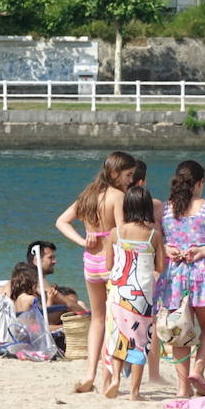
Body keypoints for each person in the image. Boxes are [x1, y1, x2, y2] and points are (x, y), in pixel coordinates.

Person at [56, 151, 137, 393]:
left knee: (97, 319)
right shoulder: (118, 197)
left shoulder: (88, 195)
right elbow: (122, 233)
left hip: (91, 261)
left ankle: (89, 374)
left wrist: (82, 241)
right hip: (112, 262)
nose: (131, 180)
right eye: (128, 174)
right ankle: (107, 376)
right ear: (114, 173)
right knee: (115, 321)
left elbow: (61, 221)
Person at [154, 160, 205, 398]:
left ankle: (182, 388)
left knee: (178, 330)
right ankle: (198, 370)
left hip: (174, 276)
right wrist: (201, 251)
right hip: (202, 275)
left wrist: (168, 248)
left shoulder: (164, 210)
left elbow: (156, 241)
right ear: (200, 183)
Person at [105, 186, 165, 400]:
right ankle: (134, 392)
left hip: (118, 291)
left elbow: (109, 263)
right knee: (140, 341)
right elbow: (160, 267)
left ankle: (115, 380)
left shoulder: (115, 233)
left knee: (116, 336)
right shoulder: (153, 236)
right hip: (142, 296)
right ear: (148, 207)